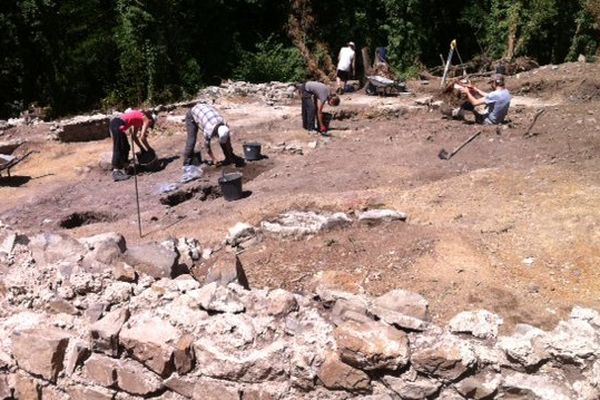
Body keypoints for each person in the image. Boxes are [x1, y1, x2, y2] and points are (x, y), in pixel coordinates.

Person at [183, 103, 244, 167]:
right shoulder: (209, 129)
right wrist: (213, 159)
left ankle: (229, 156)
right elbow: (207, 147)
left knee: (224, 141)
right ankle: (186, 164)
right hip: (192, 114)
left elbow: (227, 141)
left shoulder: (225, 125)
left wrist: (230, 153)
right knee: (191, 140)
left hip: (205, 110)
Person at [108, 109, 156, 182]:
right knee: (119, 147)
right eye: (150, 125)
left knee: (126, 147)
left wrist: (142, 148)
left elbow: (134, 137)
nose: (148, 127)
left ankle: (126, 168)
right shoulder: (145, 119)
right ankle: (116, 172)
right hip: (117, 123)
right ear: (151, 120)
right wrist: (149, 149)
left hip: (115, 123)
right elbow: (142, 138)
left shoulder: (139, 120)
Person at [446, 73, 512, 125]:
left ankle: (453, 113)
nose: (491, 85)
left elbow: (475, 102)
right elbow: (489, 96)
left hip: (488, 121)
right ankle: (455, 113)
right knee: (478, 107)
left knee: (468, 104)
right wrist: (476, 90)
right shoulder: (506, 92)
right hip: (498, 120)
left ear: (495, 82)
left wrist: (467, 92)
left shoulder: (494, 95)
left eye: (492, 83)